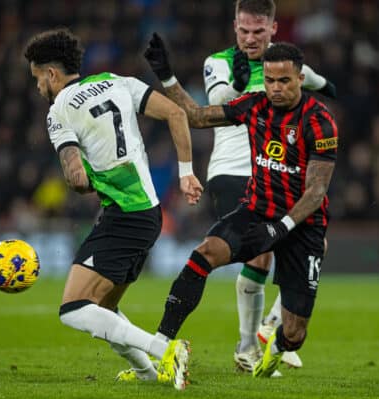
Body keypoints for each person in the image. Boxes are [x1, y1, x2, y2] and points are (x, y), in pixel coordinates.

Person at [144, 37, 338, 377]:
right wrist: (167, 75)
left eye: (284, 81)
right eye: (270, 80)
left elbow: (316, 190)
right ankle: (160, 347)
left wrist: (282, 228)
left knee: (295, 334)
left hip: (302, 226)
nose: (275, 88)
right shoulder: (255, 105)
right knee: (202, 255)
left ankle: (276, 348)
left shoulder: (319, 121)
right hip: (256, 212)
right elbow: (196, 116)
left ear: (300, 79)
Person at [23, 28, 204, 390]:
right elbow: (177, 114)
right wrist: (187, 174)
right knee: (101, 307)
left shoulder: (59, 111)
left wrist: (90, 179)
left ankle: (164, 349)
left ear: (51, 74)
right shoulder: (117, 82)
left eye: (38, 78)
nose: (39, 87)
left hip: (123, 215)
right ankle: (147, 374)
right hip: (149, 213)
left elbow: (75, 178)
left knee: (74, 310)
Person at [207, 0, 337, 372]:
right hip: (233, 170)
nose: (250, 38)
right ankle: (247, 347)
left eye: (258, 31)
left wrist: (324, 94)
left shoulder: (289, 67)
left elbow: (328, 87)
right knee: (259, 254)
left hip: (280, 170)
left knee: (316, 245)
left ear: (273, 28)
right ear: (234, 27)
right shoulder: (219, 62)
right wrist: (237, 79)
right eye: (244, 31)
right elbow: (216, 103)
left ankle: (270, 328)